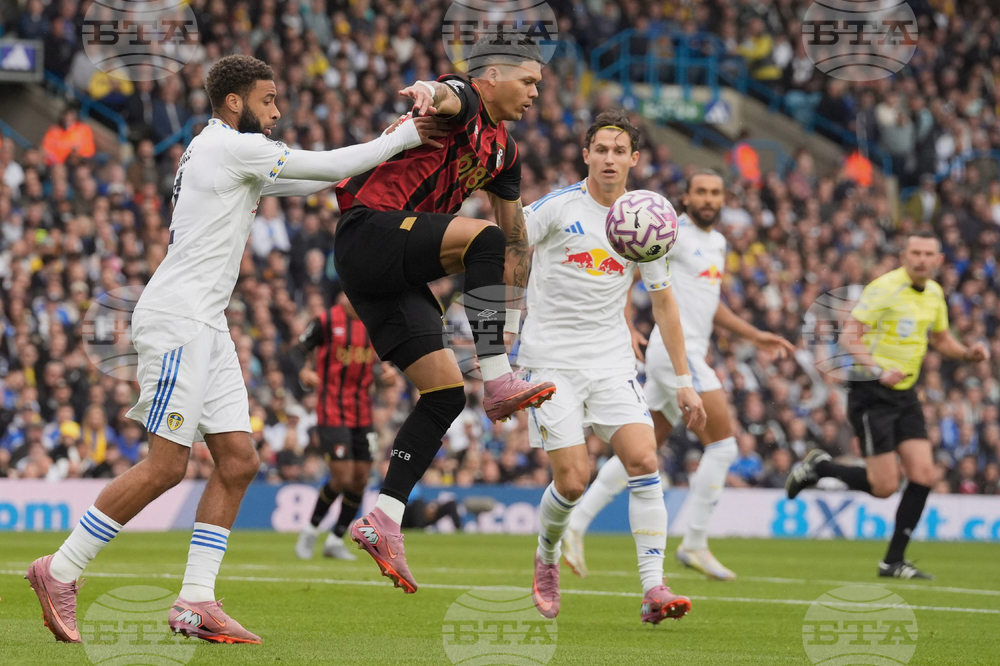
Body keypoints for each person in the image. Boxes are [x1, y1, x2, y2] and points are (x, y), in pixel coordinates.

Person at [25, 54, 446, 645]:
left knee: (240, 461)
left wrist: (383, 147)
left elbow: (314, 179)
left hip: (208, 323)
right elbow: (323, 166)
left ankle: (195, 600)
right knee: (167, 466)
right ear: (233, 102)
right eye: (268, 101)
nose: (277, 112)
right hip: (180, 320)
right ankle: (60, 570)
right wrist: (403, 136)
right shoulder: (227, 146)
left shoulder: (222, 150)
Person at [335, 35, 557, 594]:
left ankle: (384, 517)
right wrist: (427, 92)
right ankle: (498, 377)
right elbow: (445, 95)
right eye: (527, 80)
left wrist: (521, 292)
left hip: (393, 270)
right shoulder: (465, 102)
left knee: (444, 393)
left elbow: (512, 238)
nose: (535, 92)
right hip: (369, 231)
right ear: (490, 77)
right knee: (479, 238)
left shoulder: (505, 153)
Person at [518, 109, 707, 624]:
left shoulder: (645, 218)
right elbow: (509, 244)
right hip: (550, 360)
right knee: (573, 481)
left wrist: (685, 382)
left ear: (634, 159)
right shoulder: (557, 208)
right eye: (600, 149)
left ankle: (654, 589)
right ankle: (548, 553)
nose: (609, 158)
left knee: (644, 459)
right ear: (585, 154)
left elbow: (664, 303)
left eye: (619, 150)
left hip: (609, 360)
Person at [562, 170, 795, 582]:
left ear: (724, 199)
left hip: (684, 356)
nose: (708, 198)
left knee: (643, 449)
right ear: (685, 197)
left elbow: (709, 302)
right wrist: (627, 321)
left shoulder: (718, 243)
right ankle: (695, 542)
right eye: (700, 191)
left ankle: (576, 525)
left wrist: (754, 334)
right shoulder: (671, 233)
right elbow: (627, 273)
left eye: (715, 192)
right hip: (675, 356)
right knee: (723, 447)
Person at [786, 231, 990, 579]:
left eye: (929, 253)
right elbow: (851, 337)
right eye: (916, 252)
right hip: (872, 394)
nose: (922, 259)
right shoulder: (883, 288)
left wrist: (967, 354)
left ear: (939, 260)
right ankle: (820, 468)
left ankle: (892, 561)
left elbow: (940, 338)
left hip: (906, 394)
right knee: (883, 487)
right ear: (904, 256)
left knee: (924, 475)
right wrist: (878, 370)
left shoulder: (936, 293)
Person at [295, 292, 397, 560]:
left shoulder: (372, 323)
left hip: (363, 412)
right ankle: (310, 530)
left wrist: (385, 374)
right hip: (331, 411)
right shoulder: (326, 321)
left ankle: (336, 539)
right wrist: (304, 372)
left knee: (361, 478)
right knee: (342, 476)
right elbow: (298, 350)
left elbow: (376, 365)